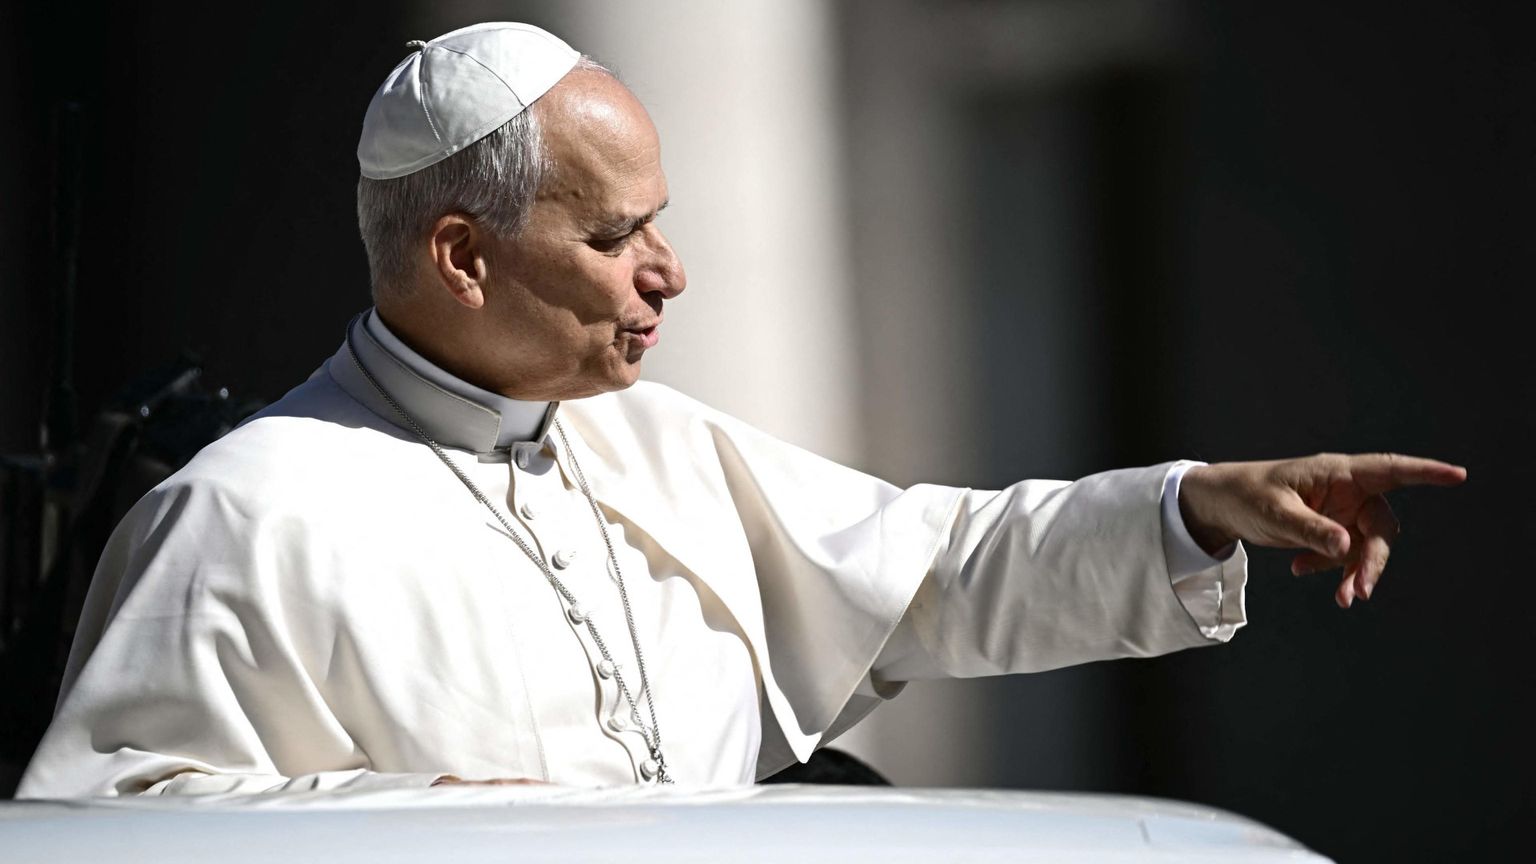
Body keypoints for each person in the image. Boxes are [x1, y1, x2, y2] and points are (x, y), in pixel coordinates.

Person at [16, 23, 1464, 797]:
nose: (671, 272)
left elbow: (938, 567)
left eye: (663, 222)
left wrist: (1192, 504)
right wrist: (441, 826)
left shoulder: (653, 446)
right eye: (611, 239)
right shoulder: (249, 511)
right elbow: (118, 830)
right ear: (462, 257)